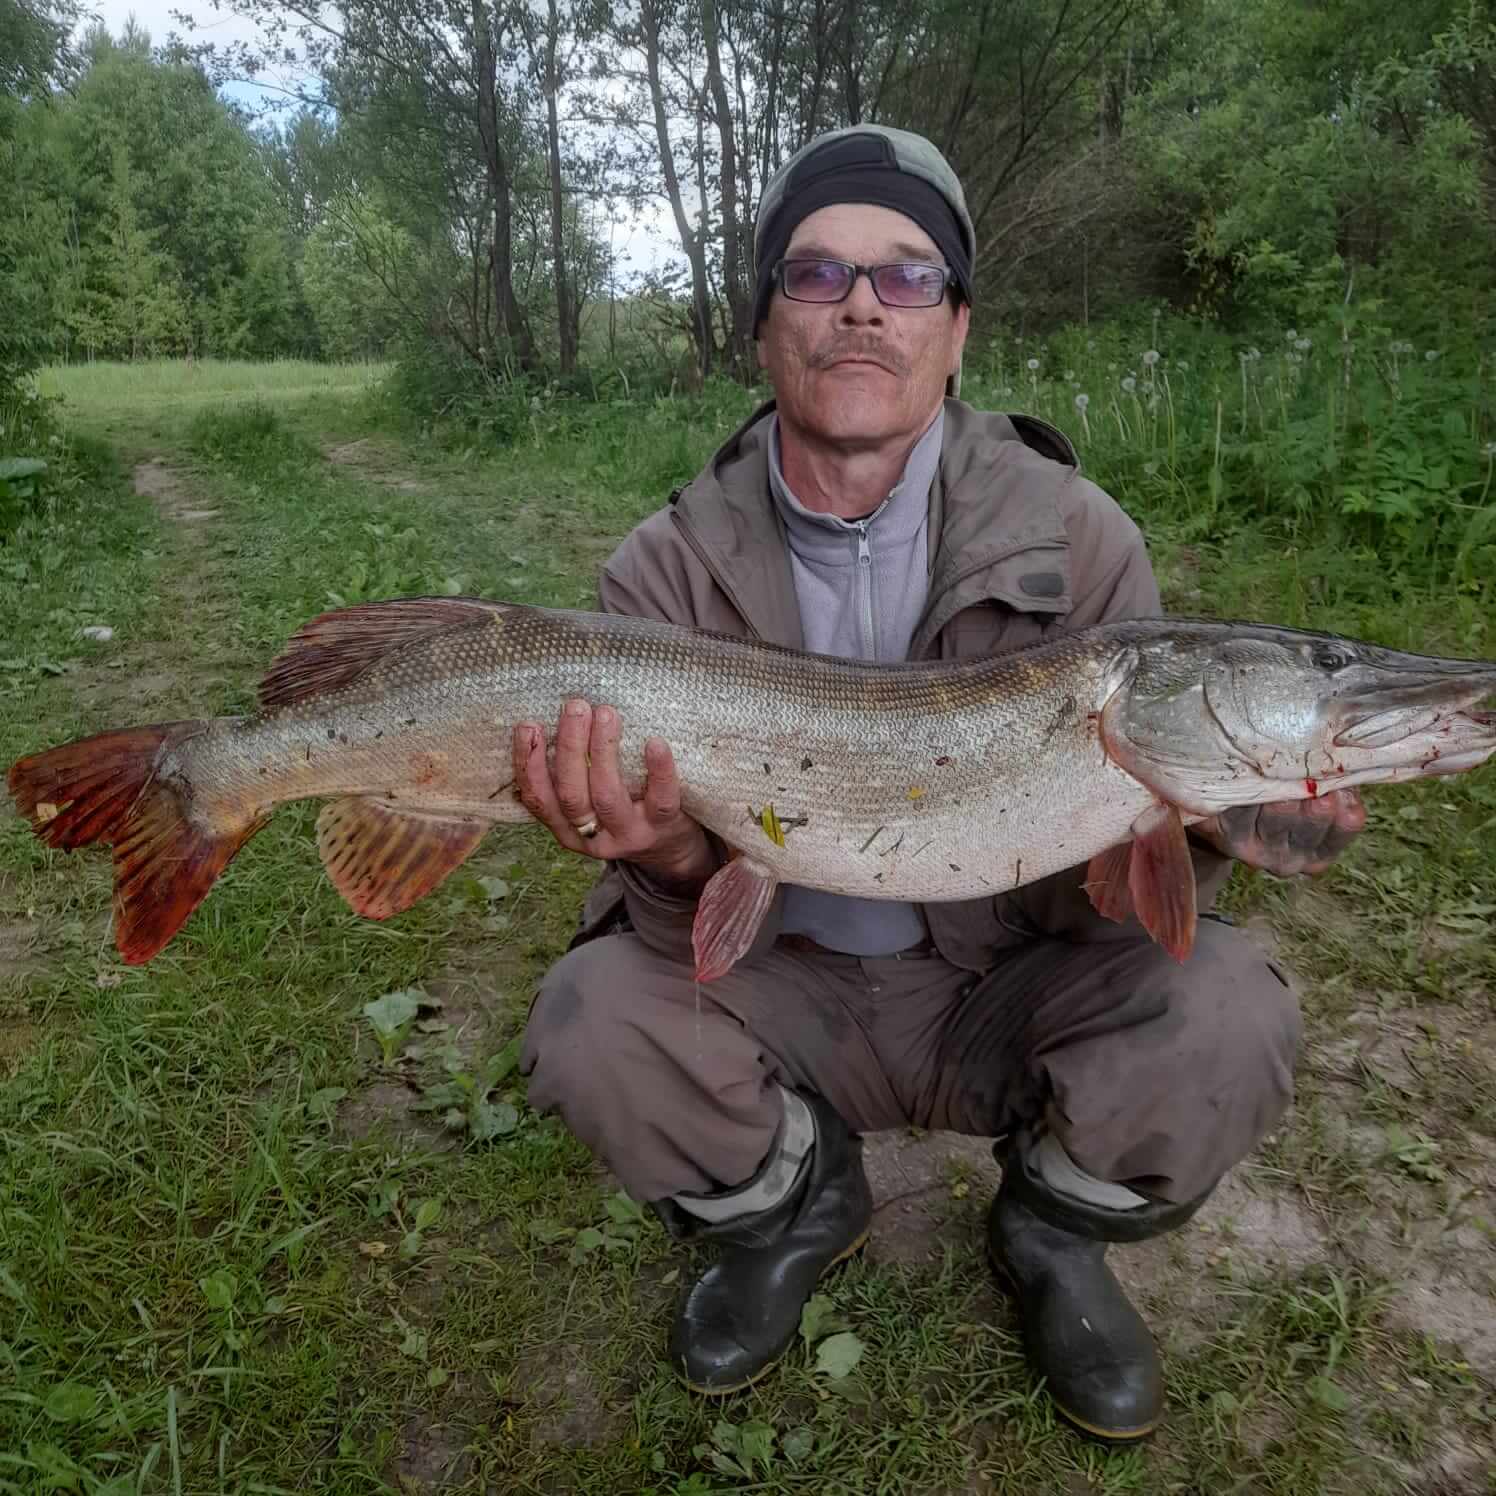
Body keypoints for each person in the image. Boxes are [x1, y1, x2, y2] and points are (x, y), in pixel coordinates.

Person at [515, 126, 1365, 1444]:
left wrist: (1217, 824)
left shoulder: (1082, 539)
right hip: (782, 983)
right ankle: (800, 1204)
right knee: (592, 1020)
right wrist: (670, 856)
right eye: (817, 272)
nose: (863, 303)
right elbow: (677, 906)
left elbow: (1127, 886)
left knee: (1228, 1010)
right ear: (765, 329)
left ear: (958, 331)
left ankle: (1051, 1239)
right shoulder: (660, 572)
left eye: (909, 276)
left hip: (1003, 982)